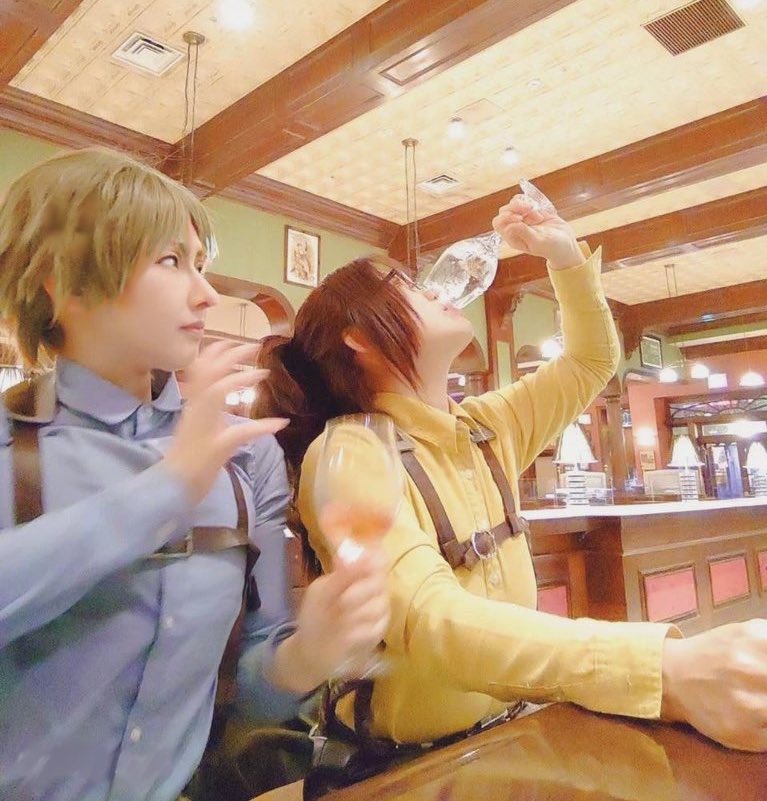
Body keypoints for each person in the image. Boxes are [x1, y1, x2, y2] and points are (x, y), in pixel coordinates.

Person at [255, 193, 767, 753]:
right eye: (407, 287)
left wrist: (565, 259)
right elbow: (430, 618)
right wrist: (661, 667)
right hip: (412, 768)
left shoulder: (484, 426)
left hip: (512, 735)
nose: (437, 289)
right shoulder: (351, 450)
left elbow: (590, 362)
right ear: (360, 337)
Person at [0, 147, 389, 801]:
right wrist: (167, 488)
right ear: (60, 282)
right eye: (170, 261)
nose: (207, 294)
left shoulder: (245, 454)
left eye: (200, 265)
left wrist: (307, 655)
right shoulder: (13, 441)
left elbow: (248, 684)